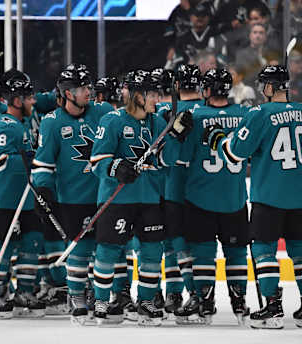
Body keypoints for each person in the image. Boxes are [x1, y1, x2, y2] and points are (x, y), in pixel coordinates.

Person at [204, 65, 302, 329]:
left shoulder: (259, 113)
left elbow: (234, 154)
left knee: (263, 250)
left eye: (263, 85)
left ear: (270, 87)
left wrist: (217, 139)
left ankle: (272, 308)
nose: (261, 89)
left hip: (270, 195)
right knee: (301, 250)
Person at [89, 70, 191, 326]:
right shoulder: (112, 121)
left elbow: (165, 160)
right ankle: (101, 298)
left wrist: (177, 138)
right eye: (152, 94)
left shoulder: (158, 123)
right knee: (108, 250)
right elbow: (96, 161)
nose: (157, 98)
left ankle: (145, 300)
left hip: (150, 199)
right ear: (137, 96)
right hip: (118, 199)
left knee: (152, 251)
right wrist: (117, 168)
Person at [32, 65, 113, 325]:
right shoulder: (52, 122)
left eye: (89, 87)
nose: (89, 92)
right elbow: (43, 163)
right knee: (79, 251)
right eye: (82, 88)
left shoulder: (104, 113)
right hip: (73, 199)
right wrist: (43, 189)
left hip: (105, 195)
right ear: (67, 93)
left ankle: (107, 295)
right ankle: (77, 296)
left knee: (109, 250)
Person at [174, 68, 250, 325]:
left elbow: (181, 161)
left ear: (206, 91)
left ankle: (205, 303)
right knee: (237, 254)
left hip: (200, 199)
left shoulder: (194, 116)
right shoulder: (244, 114)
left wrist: (176, 134)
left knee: (204, 254)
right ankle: (240, 303)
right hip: (235, 199)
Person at [0, 70, 45, 319]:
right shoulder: (5, 124)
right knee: (2, 247)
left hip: (24, 198)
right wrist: (29, 159)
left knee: (33, 240)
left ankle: (24, 292)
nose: (33, 101)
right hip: (2, 198)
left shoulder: (23, 124)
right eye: (28, 97)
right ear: (16, 100)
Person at [156, 64, 204, 320]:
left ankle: (177, 292)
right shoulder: (208, 111)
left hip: (171, 185)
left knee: (172, 242)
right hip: (203, 189)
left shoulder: (165, 111)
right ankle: (201, 294)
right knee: (198, 244)